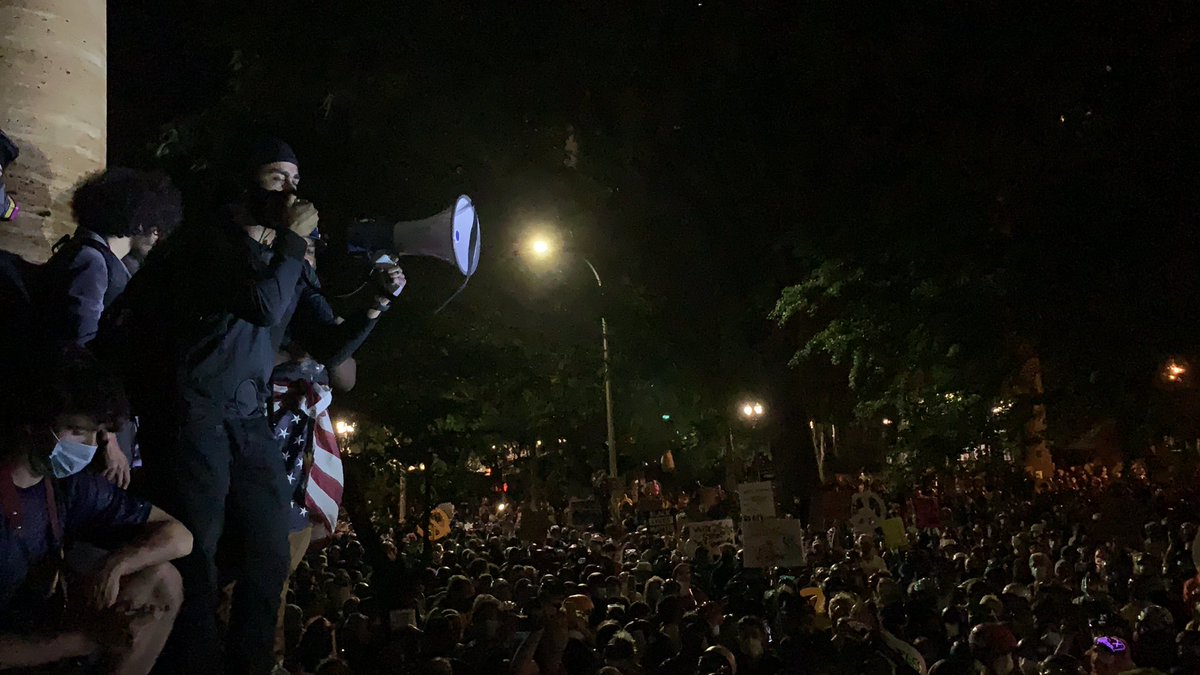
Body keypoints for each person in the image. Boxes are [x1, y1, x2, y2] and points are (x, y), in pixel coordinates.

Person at [108, 138, 322, 674]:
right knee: (197, 555)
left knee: (270, 551)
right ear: (245, 181)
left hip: (246, 418)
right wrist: (293, 244)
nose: (291, 190)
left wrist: (375, 303)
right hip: (192, 413)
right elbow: (263, 304)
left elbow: (327, 345)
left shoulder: (268, 254)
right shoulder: (209, 242)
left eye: (295, 179)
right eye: (278, 177)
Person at [0, 354, 192, 673]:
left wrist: (116, 565)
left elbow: (180, 536)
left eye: (97, 433)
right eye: (77, 431)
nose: (89, 446)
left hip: (38, 618)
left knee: (161, 580)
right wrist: (81, 640)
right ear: (33, 424)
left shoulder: (67, 485)